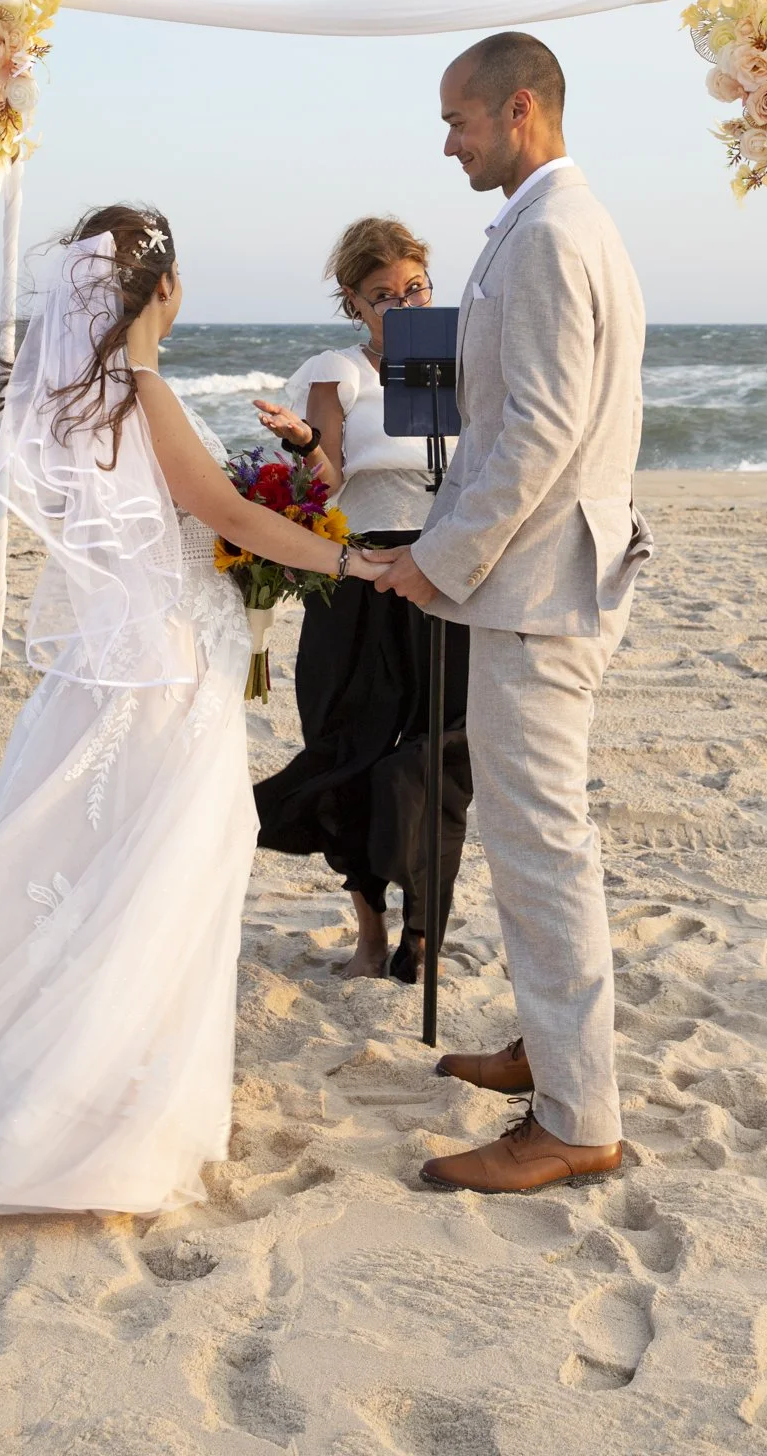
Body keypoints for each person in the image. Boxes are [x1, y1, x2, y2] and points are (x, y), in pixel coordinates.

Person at [0, 204, 382, 1221]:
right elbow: (227, 514)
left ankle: (57, 1072)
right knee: (157, 874)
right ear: (161, 288)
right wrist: (356, 559)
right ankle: (91, 1105)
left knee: (90, 867)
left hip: (110, 666)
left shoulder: (84, 400)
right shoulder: (145, 389)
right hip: (167, 673)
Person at [372, 33, 654, 1195]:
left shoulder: (546, 234)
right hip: (548, 578)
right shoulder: (555, 223)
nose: (448, 142)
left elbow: (535, 430)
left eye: (461, 121)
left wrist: (438, 561)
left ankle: (578, 1114)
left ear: (519, 108)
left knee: (540, 843)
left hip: (540, 586)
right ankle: (554, 1044)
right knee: (533, 833)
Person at [252, 219, 471, 982]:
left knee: (436, 762)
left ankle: (424, 938)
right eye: (383, 296)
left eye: (416, 288)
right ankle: (371, 932)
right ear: (353, 303)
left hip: (444, 573)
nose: (403, 305)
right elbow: (328, 487)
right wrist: (305, 444)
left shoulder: (455, 361)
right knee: (350, 752)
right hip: (360, 582)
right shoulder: (336, 372)